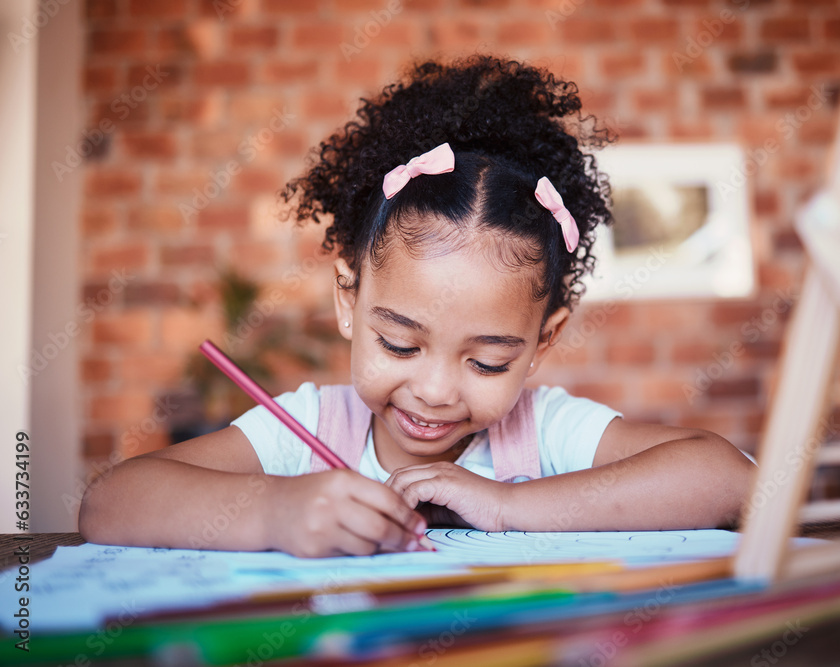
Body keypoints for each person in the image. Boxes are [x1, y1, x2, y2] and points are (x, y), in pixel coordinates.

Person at [80, 56, 755, 558]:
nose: (434, 390)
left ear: (544, 340)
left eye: (488, 361)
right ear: (349, 297)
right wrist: (278, 510)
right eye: (400, 344)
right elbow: (109, 503)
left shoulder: (542, 431)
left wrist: (506, 505)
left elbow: (726, 479)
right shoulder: (309, 427)